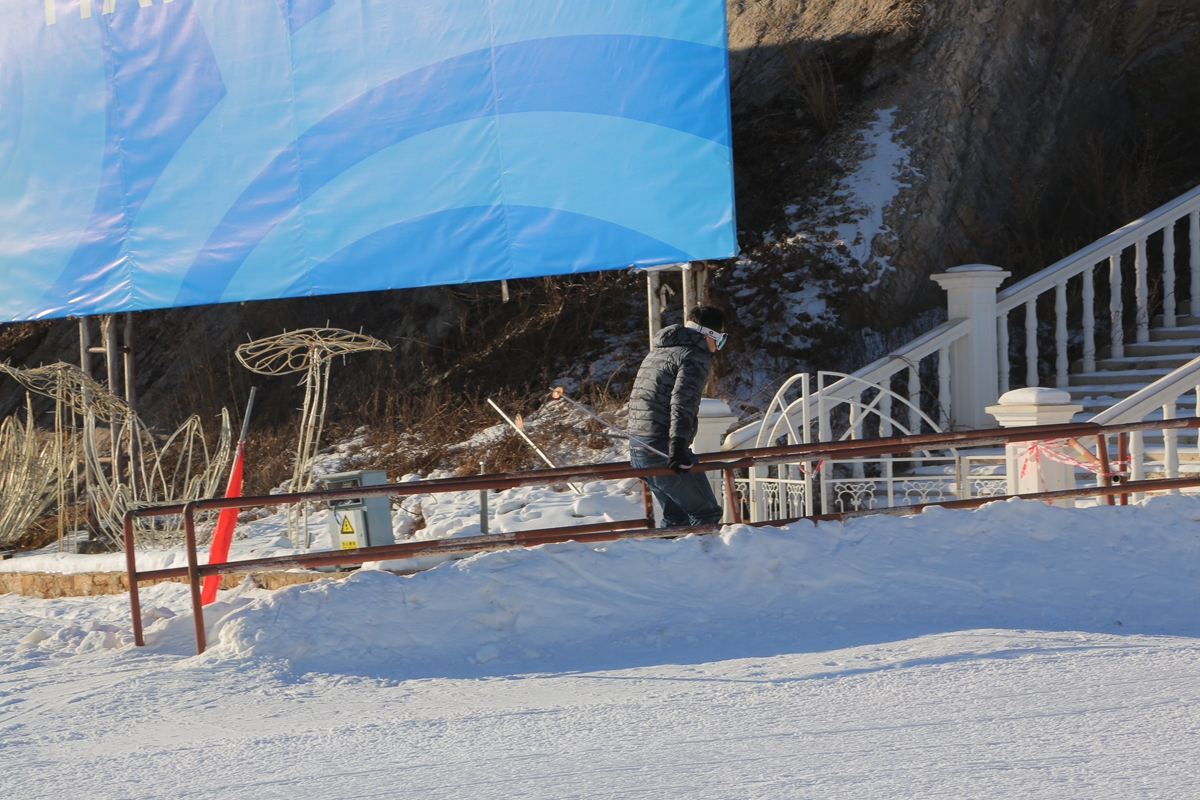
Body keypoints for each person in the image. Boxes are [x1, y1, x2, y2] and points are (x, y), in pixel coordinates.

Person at [627, 304, 728, 527]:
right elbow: (684, 402)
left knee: (676, 518)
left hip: (639, 450)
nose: (717, 347)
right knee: (706, 514)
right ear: (707, 335)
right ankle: (706, 551)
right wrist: (678, 445)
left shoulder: (659, 351)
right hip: (663, 449)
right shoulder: (694, 356)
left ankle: (671, 550)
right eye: (720, 339)